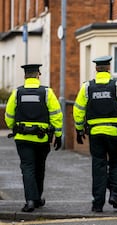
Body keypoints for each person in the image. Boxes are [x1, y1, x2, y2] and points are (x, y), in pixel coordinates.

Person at [73, 55, 117, 213]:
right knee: (115, 162)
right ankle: (114, 194)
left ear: (96, 69)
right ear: (109, 68)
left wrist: (79, 128)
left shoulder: (87, 87)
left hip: (95, 133)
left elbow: (78, 110)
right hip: (114, 132)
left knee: (98, 165)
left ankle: (97, 203)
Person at [5, 64, 63, 212]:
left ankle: (31, 200)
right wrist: (58, 134)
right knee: (39, 167)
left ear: (25, 76)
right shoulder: (47, 92)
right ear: (38, 75)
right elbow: (56, 115)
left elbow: (9, 115)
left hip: (22, 138)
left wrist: (14, 127)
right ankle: (36, 199)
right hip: (42, 139)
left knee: (27, 167)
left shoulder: (17, 93)